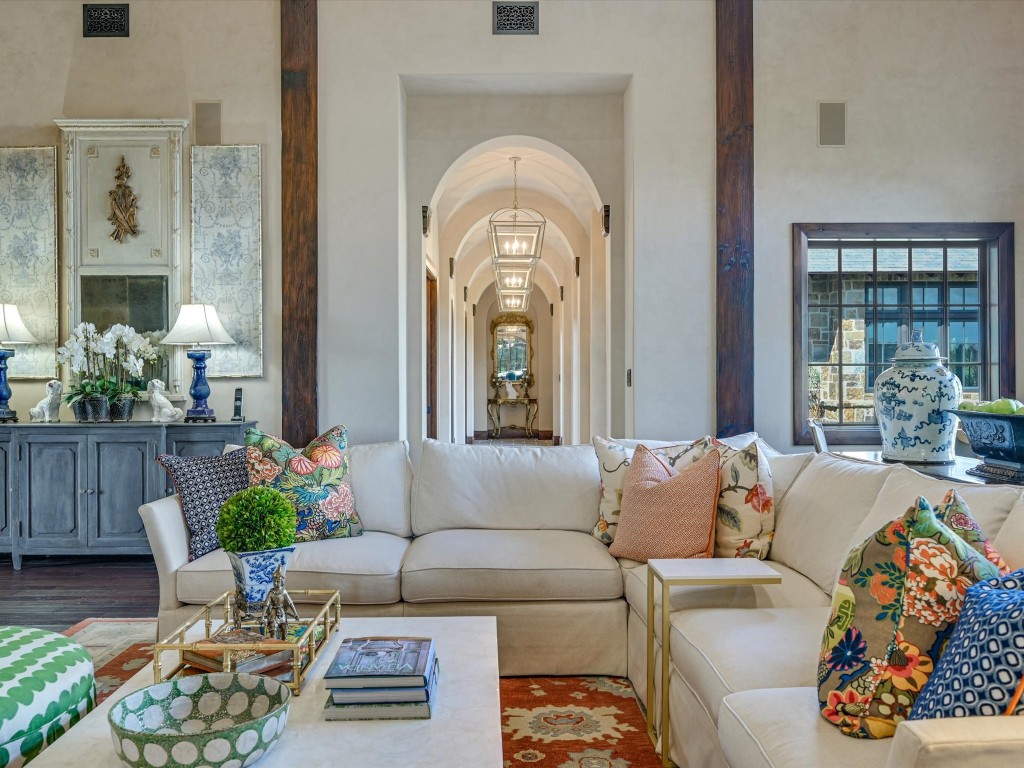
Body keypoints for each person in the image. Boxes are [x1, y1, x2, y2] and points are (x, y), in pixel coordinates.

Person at [261, 566, 299, 640]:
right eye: (274, 581)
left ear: (281, 582)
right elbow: (266, 604)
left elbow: (290, 603)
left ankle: (283, 644)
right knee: (273, 632)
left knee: (284, 630)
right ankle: (273, 644)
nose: (275, 583)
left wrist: (295, 613)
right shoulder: (271, 592)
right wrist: (262, 617)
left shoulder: (284, 592)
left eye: (278, 581)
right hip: (273, 613)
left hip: (282, 613)